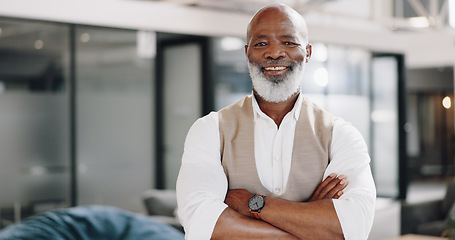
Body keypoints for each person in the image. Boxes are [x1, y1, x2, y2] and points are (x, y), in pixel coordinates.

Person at [176, 3, 376, 239]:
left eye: (289, 42)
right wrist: (308, 225)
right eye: (261, 43)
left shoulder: (340, 134)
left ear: (308, 52)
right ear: (247, 52)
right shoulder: (210, 130)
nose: (274, 53)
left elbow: (354, 228)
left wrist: (253, 204)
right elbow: (202, 225)